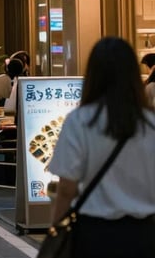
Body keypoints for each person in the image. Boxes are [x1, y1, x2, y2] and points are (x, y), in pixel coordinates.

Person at [48, 37, 155, 258]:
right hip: (145, 233)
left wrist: (56, 229)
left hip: (94, 233)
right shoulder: (150, 123)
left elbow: (67, 188)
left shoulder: (80, 121)